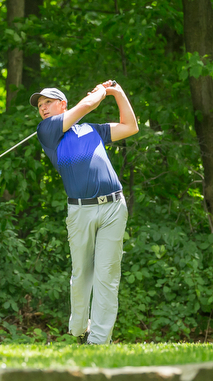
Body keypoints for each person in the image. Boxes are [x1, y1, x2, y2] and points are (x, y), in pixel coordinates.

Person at [29, 81, 139, 344]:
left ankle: (98, 340)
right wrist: (101, 92)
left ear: (62, 104)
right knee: (82, 274)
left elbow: (130, 126)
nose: (43, 108)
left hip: (113, 206)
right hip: (80, 210)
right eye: (40, 105)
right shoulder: (47, 131)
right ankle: (79, 330)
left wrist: (118, 92)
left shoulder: (92, 130)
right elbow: (88, 104)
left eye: (48, 102)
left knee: (107, 275)